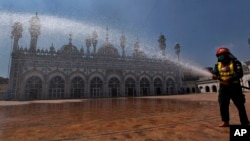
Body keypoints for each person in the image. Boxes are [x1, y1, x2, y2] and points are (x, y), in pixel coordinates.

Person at [212, 47, 249, 127]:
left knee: (240, 105)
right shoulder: (217, 65)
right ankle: (225, 122)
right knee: (223, 105)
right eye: (218, 56)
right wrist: (214, 75)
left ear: (226, 55)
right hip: (223, 88)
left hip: (235, 88)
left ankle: (244, 122)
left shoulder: (236, 63)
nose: (219, 57)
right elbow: (215, 73)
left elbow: (240, 74)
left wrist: (230, 79)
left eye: (221, 55)